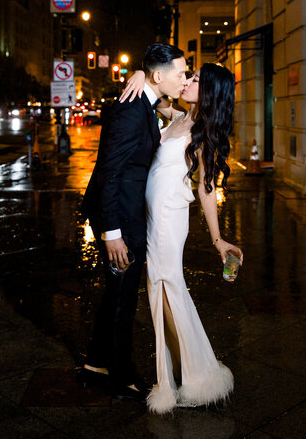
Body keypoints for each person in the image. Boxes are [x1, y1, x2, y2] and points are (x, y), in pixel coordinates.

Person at [121, 63, 243, 413]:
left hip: (170, 220)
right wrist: (142, 74)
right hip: (153, 218)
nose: (188, 82)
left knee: (168, 287)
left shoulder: (203, 130)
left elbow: (207, 189)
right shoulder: (179, 115)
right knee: (161, 292)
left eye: (197, 80)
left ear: (211, 92)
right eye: (190, 77)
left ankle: (195, 376)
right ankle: (181, 374)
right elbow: (153, 96)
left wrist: (218, 239)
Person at [80, 43, 187, 401]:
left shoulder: (143, 101)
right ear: (160, 76)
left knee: (117, 293)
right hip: (120, 219)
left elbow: (158, 106)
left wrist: (141, 77)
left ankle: (96, 362)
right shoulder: (130, 110)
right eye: (181, 73)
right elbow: (110, 171)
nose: (184, 79)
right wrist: (112, 234)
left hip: (126, 213)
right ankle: (121, 375)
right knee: (124, 297)